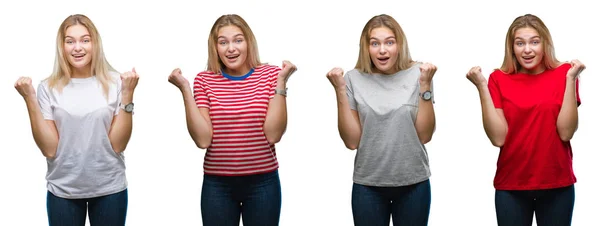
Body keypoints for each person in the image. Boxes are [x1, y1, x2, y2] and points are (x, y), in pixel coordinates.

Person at [167, 14, 296, 226]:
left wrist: (282, 82)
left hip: (263, 183)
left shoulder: (272, 75)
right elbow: (203, 140)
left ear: (248, 42)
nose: (231, 49)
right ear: (215, 47)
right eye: (223, 42)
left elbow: (274, 134)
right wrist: (185, 89)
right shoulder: (204, 80)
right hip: (218, 185)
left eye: (238, 40)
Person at [14, 14, 139, 226]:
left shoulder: (117, 82)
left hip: (109, 188)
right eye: (70, 41)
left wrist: (128, 95)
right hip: (63, 190)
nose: (77, 47)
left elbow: (118, 144)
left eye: (85, 40)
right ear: (61, 47)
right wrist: (30, 99)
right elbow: (50, 149)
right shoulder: (48, 87)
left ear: (95, 44)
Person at [465, 14, 585, 226]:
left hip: (557, 184)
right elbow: (498, 138)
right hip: (511, 185)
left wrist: (571, 79)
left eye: (534, 42)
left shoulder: (566, 73)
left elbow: (566, 132)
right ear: (512, 48)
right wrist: (482, 87)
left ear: (544, 44)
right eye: (520, 43)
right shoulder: (498, 79)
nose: (527, 50)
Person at [326, 14, 437, 226]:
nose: (382, 50)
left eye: (389, 42)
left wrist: (425, 86)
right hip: (368, 185)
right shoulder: (352, 78)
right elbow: (351, 142)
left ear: (399, 45)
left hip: (413, 183)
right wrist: (340, 89)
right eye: (375, 43)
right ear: (366, 48)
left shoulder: (420, 73)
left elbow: (425, 135)